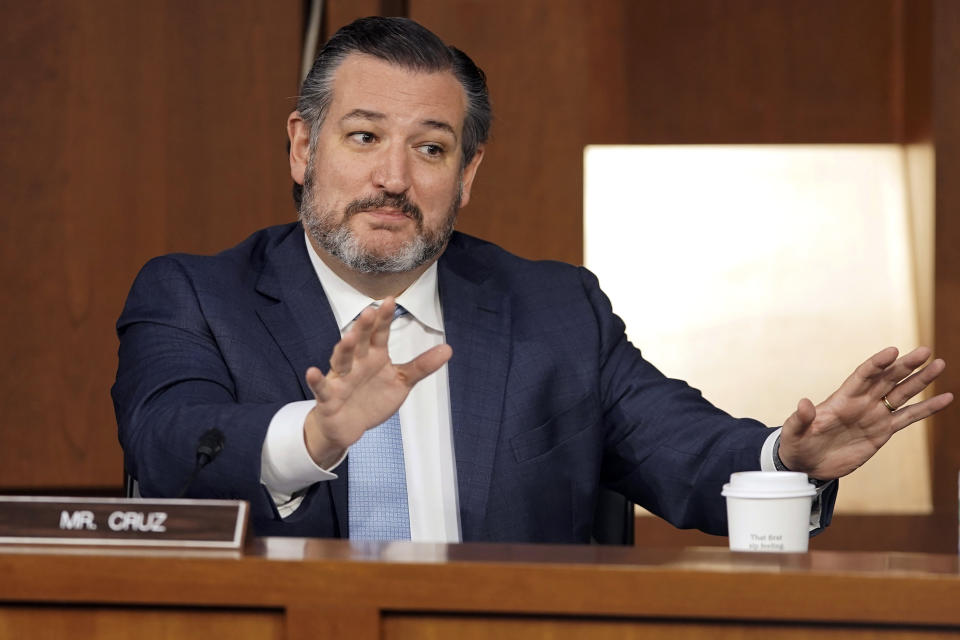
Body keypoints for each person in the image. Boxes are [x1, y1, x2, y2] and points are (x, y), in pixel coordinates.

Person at [112, 17, 953, 543]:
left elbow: (684, 449)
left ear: (468, 174)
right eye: (364, 138)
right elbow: (167, 446)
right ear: (303, 147)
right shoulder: (194, 296)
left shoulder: (556, 311)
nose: (395, 178)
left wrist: (792, 460)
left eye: (432, 148)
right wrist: (318, 435)